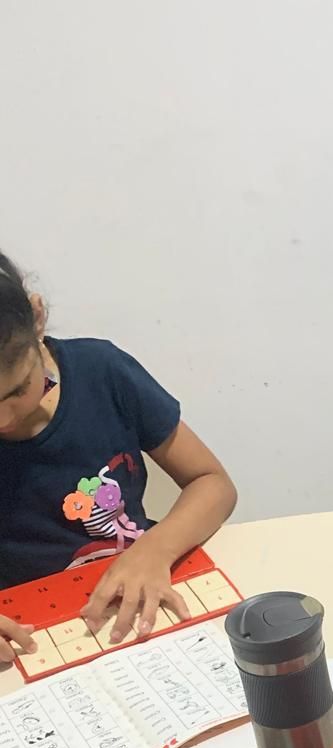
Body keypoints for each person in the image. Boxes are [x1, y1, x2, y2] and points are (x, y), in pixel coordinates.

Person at [0, 249, 236, 663]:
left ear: (37, 318)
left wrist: (156, 549)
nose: (3, 419)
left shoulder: (101, 371)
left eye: (18, 389)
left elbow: (212, 484)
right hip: (29, 636)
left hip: (140, 592)